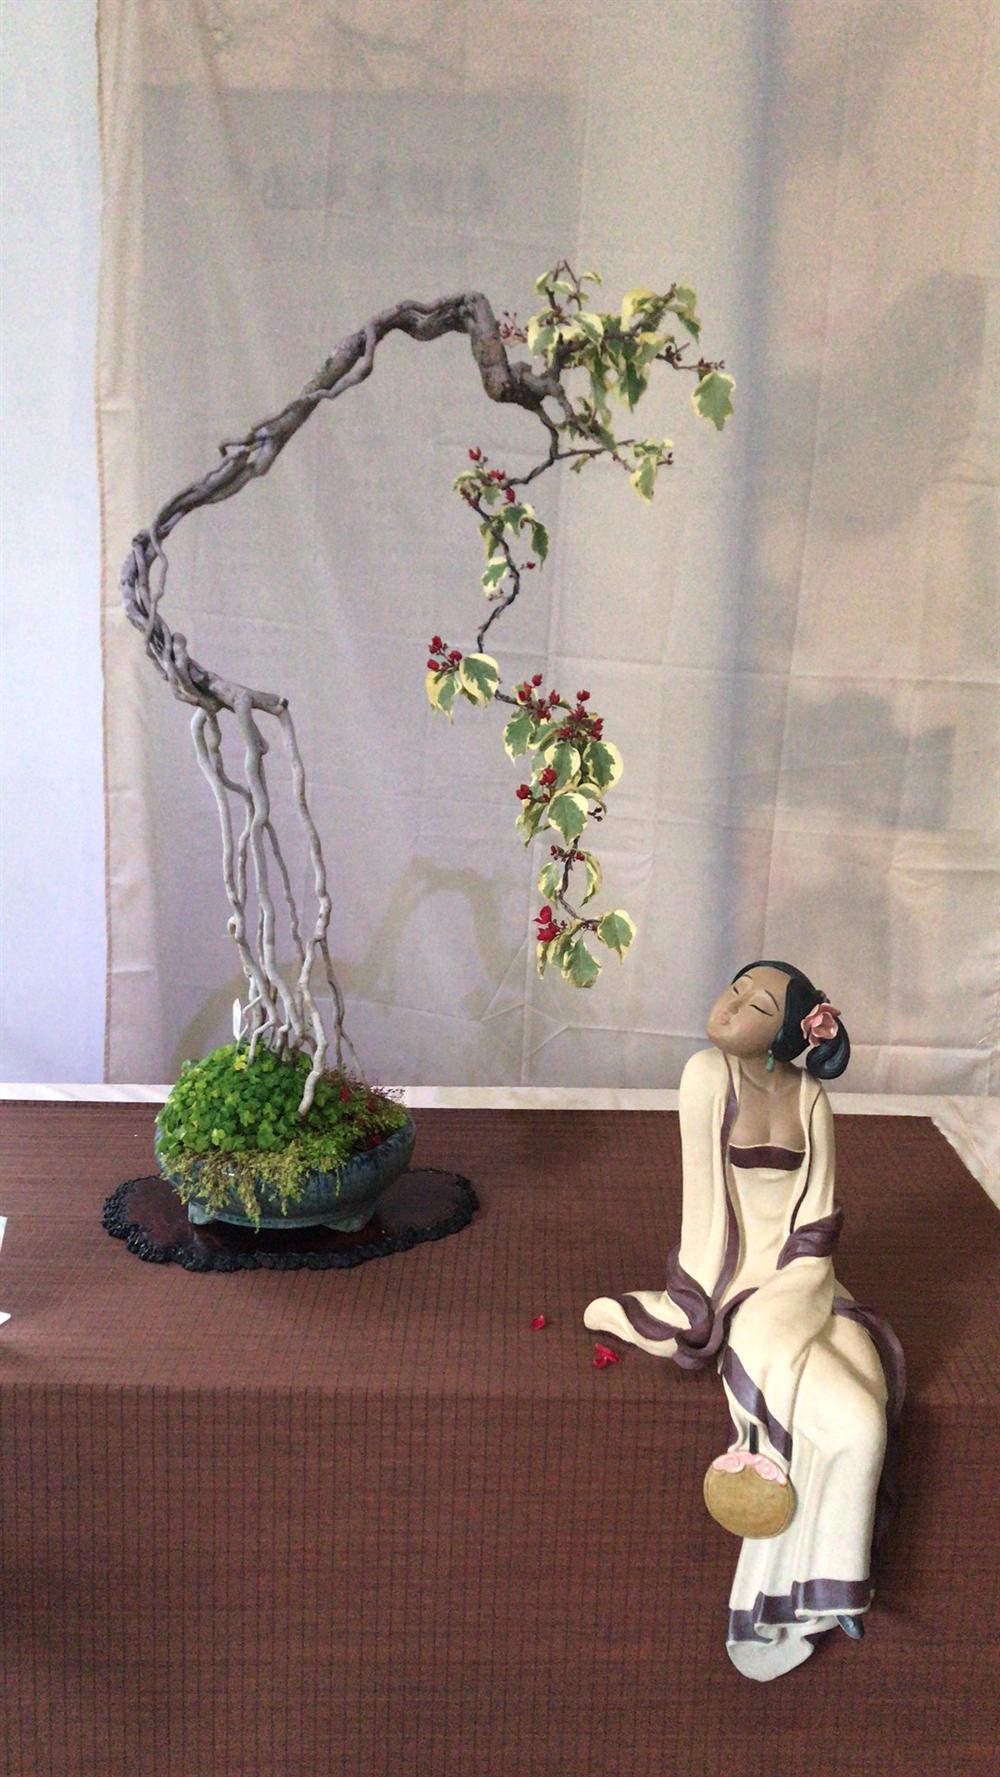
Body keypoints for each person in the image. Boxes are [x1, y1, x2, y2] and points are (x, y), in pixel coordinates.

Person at [583, 961, 905, 1681]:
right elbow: (702, 1206)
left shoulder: (811, 1098)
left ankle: (828, 1584)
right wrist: (696, 1304)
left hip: (807, 1281)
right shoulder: (707, 1077)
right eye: (735, 989)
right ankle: (802, 1594)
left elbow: (818, 1219)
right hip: (733, 1287)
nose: (730, 1008)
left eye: (756, 1006)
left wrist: (798, 1289)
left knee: (867, 1412)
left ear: (786, 1034)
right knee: (848, 1419)